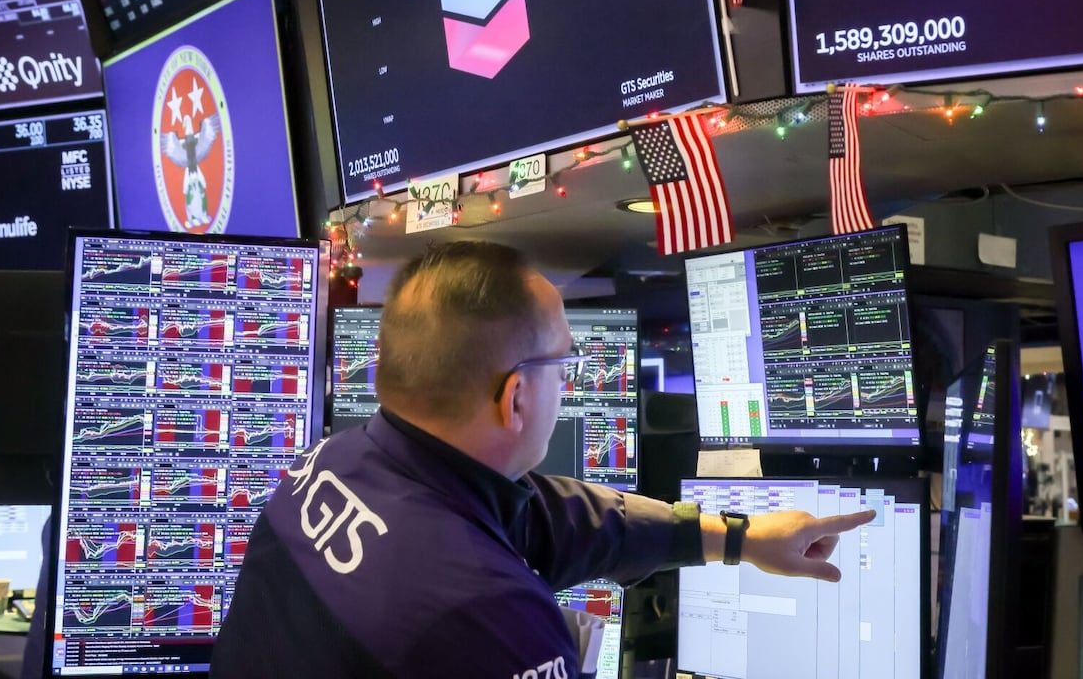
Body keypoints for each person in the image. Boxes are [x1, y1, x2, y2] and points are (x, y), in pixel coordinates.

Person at [212, 240, 873, 677]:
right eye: (565, 363)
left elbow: (544, 518)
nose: (570, 382)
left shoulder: (333, 467)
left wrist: (740, 538)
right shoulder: (486, 616)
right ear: (517, 396)